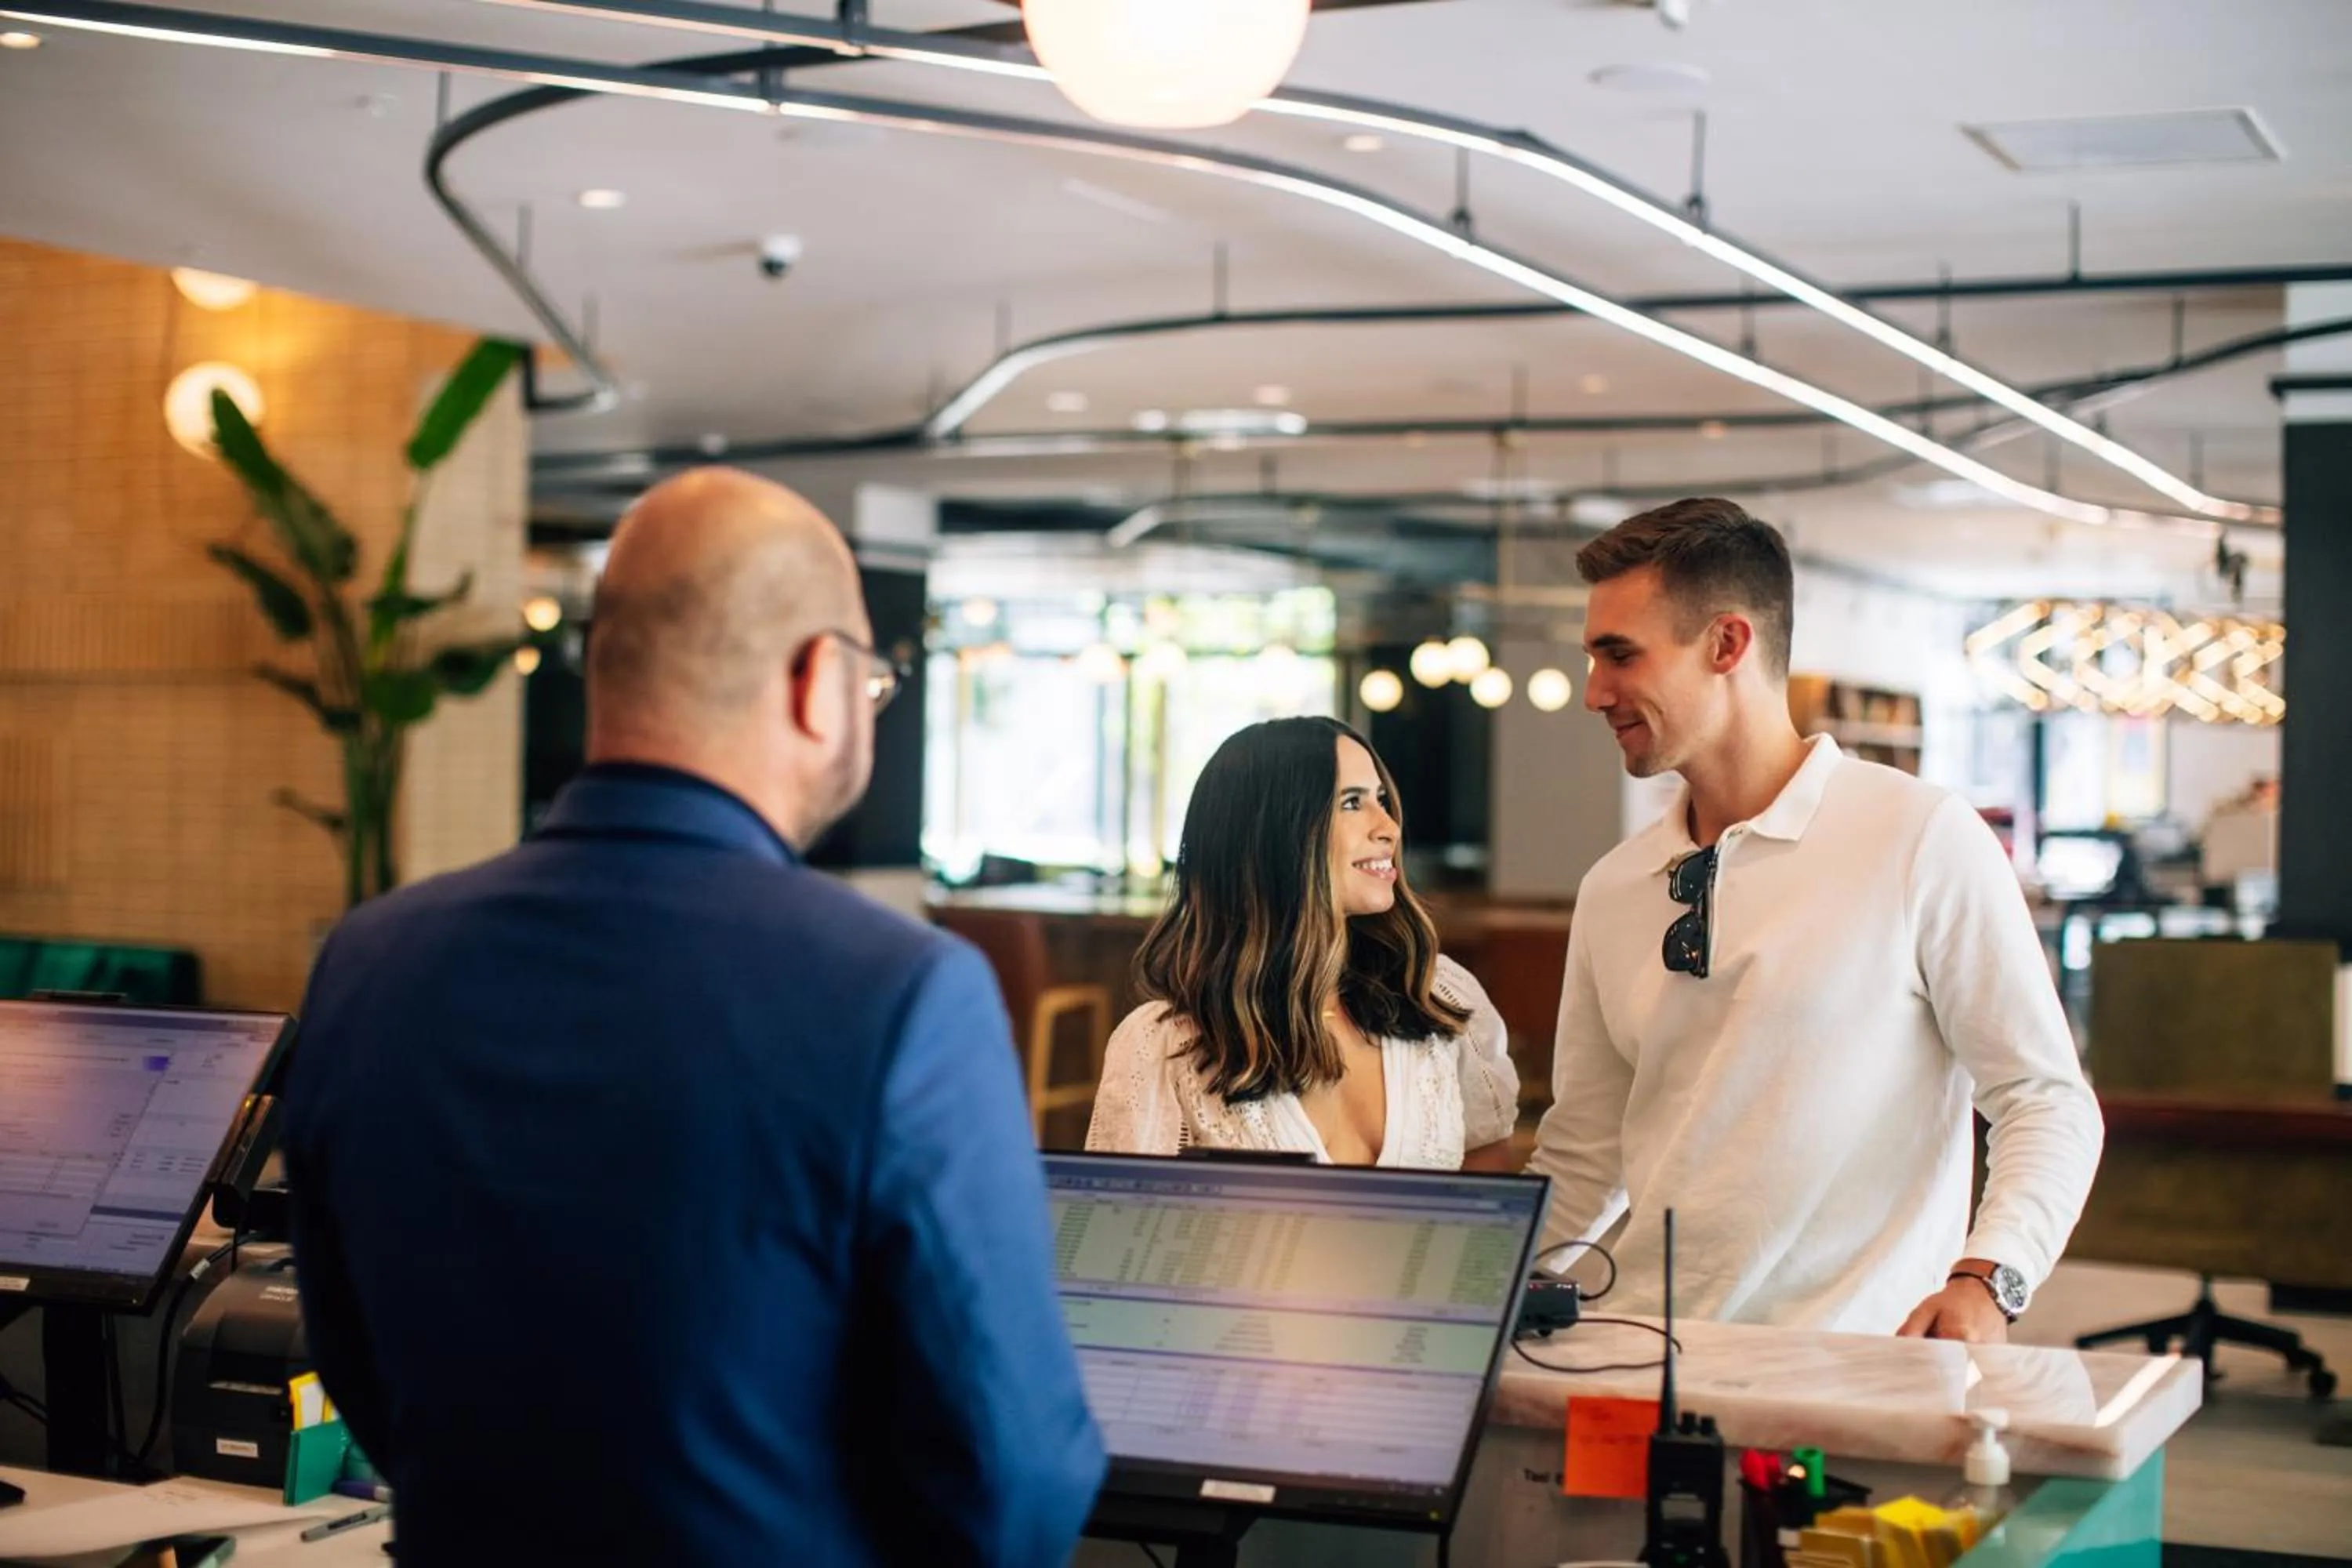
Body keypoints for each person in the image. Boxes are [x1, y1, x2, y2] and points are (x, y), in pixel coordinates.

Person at [282, 469, 1105, 1564]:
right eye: (872, 684)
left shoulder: (368, 963)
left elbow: (361, 1370)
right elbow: (1017, 1478)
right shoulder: (902, 994)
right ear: (817, 681)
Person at [1530, 498, 2103, 1340]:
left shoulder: (1919, 837)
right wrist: (1470, 1287)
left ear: (1727, 644)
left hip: (1858, 1364)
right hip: (1644, 1355)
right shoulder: (1614, 885)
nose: (1594, 692)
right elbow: (1586, 1150)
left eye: (1620, 655)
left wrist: (1989, 1278)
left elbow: (2044, 1098)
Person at [1087, 716, 1519, 1169]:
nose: (1389, 827)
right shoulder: (1163, 1046)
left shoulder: (1436, 998)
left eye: (1382, 800)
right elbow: (1127, 1212)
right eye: (1352, 803)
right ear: (1272, 834)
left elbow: (1487, 1177)